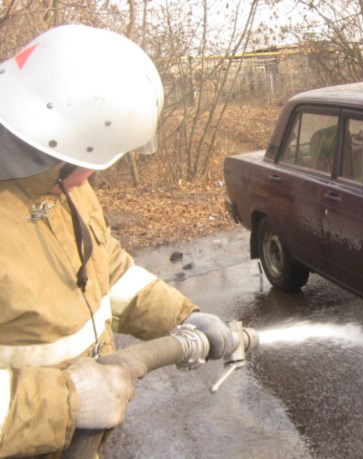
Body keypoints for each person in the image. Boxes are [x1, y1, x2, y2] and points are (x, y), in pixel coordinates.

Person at [0, 25, 235, 458]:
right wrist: (66, 402)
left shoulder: (64, 190)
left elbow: (105, 270)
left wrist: (183, 317)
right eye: (95, 158)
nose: (97, 172)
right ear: (60, 148)